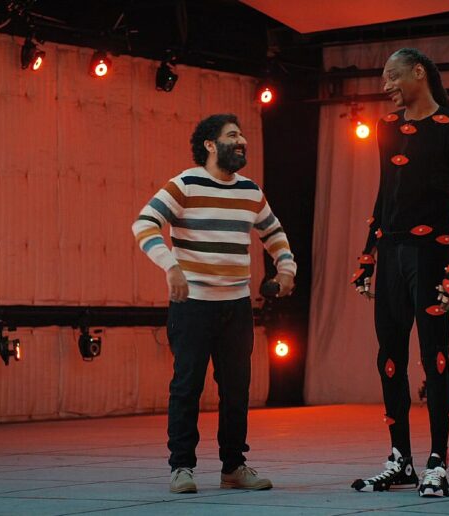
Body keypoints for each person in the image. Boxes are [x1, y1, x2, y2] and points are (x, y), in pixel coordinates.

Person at [132, 113, 296, 494]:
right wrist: (171, 266)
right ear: (210, 144)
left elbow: (274, 233)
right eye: (232, 135)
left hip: (236, 307)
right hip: (193, 304)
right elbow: (144, 223)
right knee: (187, 386)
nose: (241, 141)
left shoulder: (250, 191)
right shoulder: (185, 184)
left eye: (242, 136)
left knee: (236, 390)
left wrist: (286, 268)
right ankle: (181, 468)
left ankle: (233, 467)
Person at [350, 48, 449, 498]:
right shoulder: (386, 128)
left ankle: (438, 462)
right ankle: (399, 458)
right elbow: (383, 194)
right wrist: (368, 255)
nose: (386, 85)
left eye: (393, 76)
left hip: (432, 255)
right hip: (392, 253)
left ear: (418, 72)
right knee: (389, 356)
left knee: (433, 357)